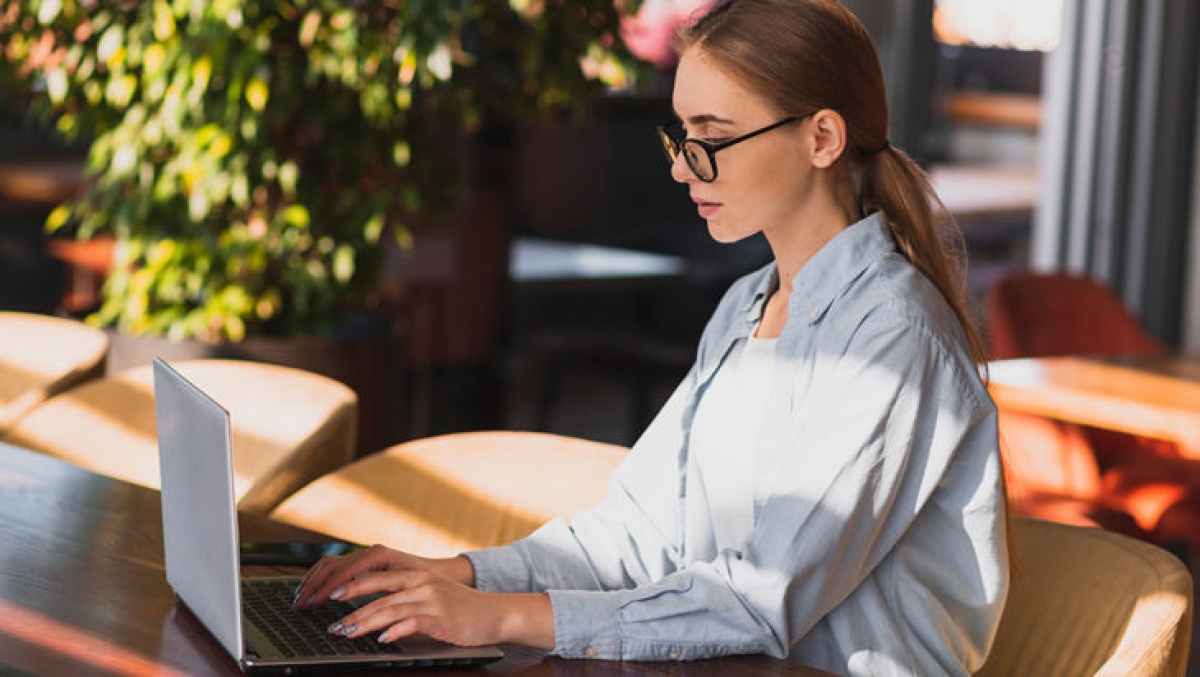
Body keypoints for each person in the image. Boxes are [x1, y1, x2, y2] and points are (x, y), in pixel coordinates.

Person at [295, 0, 1009, 674]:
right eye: (682, 136)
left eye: (713, 138)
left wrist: (501, 616)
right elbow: (637, 534)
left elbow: (756, 598)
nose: (680, 166)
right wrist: (458, 575)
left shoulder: (892, 336)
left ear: (822, 137)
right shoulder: (746, 306)